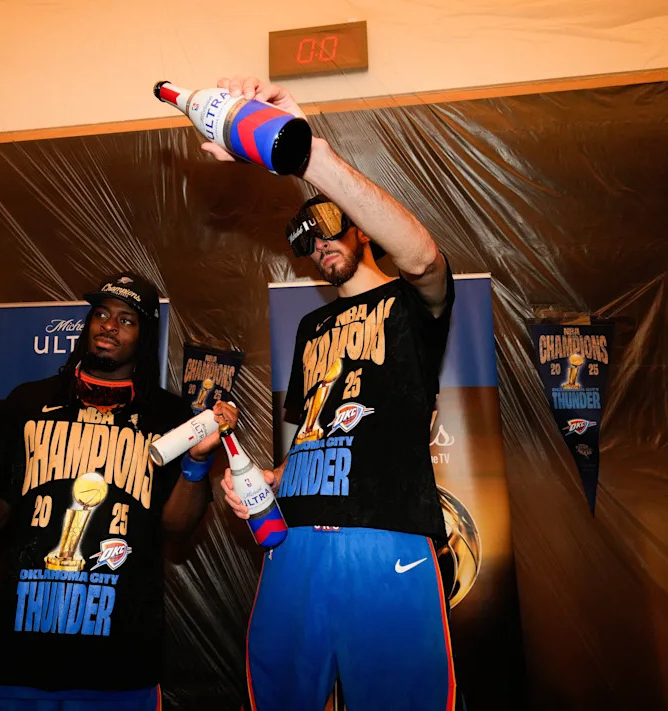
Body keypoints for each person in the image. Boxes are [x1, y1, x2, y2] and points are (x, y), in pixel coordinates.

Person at [213, 77, 457, 711]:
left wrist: (307, 155)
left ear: (362, 230)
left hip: (386, 537)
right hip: (294, 543)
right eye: (305, 239)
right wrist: (271, 477)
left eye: (327, 226)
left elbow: (425, 259)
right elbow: (312, 433)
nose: (319, 243)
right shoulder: (310, 327)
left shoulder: (411, 302)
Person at [0, 272, 235, 711]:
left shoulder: (171, 417)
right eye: (101, 314)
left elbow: (177, 527)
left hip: (119, 665)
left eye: (126, 319)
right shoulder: (26, 402)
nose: (109, 326)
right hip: (14, 660)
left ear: (146, 334)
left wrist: (197, 462)